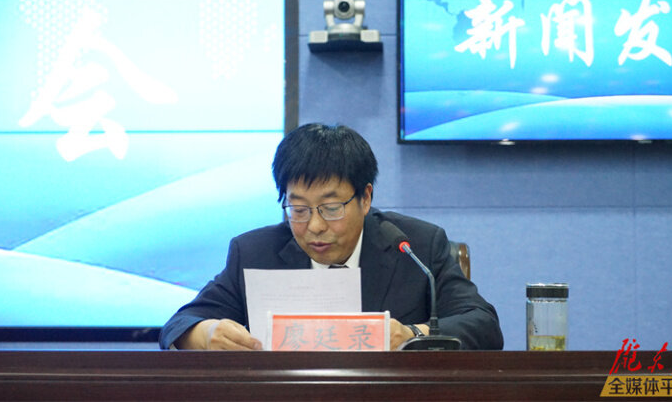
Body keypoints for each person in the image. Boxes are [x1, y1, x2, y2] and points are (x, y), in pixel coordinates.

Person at [159, 123, 503, 351]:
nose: (315, 226)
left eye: (331, 208)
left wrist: (413, 334)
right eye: (298, 209)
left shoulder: (415, 246)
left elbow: (483, 325)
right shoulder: (254, 253)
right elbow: (180, 324)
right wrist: (207, 335)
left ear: (365, 197)